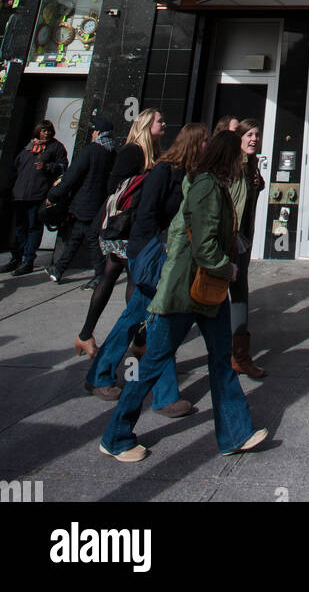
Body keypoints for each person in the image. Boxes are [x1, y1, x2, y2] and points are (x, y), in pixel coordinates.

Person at [98, 129, 267, 462]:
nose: (244, 163)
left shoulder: (215, 186)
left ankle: (236, 433)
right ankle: (115, 436)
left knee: (221, 361)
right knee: (152, 365)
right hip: (182, 292)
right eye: (241, 158)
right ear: (227, 157)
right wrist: (227, 267)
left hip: (207, 292)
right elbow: (203, 248)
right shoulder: (206, 188)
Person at [84, 123, 210, 410]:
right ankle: (163, 396)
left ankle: (101, 375)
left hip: (170, 260)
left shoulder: (191, 175)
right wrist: (146, 256)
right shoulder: (164, 172)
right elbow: (145, 216)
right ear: (192, 144)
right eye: (204, 141)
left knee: (139, 320)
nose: (208, 146)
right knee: (155, 322)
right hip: (153, 258)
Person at [74, 109, 164, 359]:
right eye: (159, 121)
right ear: (146, 125)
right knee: (133, 279)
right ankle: (137, 340)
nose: (164, 124)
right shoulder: (133, 151)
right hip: (124, 226)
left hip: (133, 226)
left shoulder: (152, 152)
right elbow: (115, 187)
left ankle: (86, 335)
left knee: (112, 275)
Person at [44, 119, 115, 283]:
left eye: (93, 131)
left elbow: (71, 177)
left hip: (85, 202)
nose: (92, 134)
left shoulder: (90, 151)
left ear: (97, 133)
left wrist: (53, 195)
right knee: (77, 237)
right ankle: (59, 268)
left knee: (89, 238)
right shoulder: (112, 152)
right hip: (100, 203)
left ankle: (100, 274)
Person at [227, 117, 268, 376]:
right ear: (239, 138)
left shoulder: (251, 166)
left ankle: (238, 355)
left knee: (239, 290)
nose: (254, 139)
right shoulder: (232, 166)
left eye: (256, 134)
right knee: (231, 292)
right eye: (249, 135)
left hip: (243, 239)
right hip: (230, 241)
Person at [5, 121, 68, 276]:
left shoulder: (56, 147)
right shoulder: (28, 147)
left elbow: (63, 167)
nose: (45, 133)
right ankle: (16, 257)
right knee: (20, 227)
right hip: (20, 194)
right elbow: (16, 168)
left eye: (48, 131)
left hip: (38, 193)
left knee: (34, 227)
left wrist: (48, 167)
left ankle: (28, 259)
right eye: (43, 131)